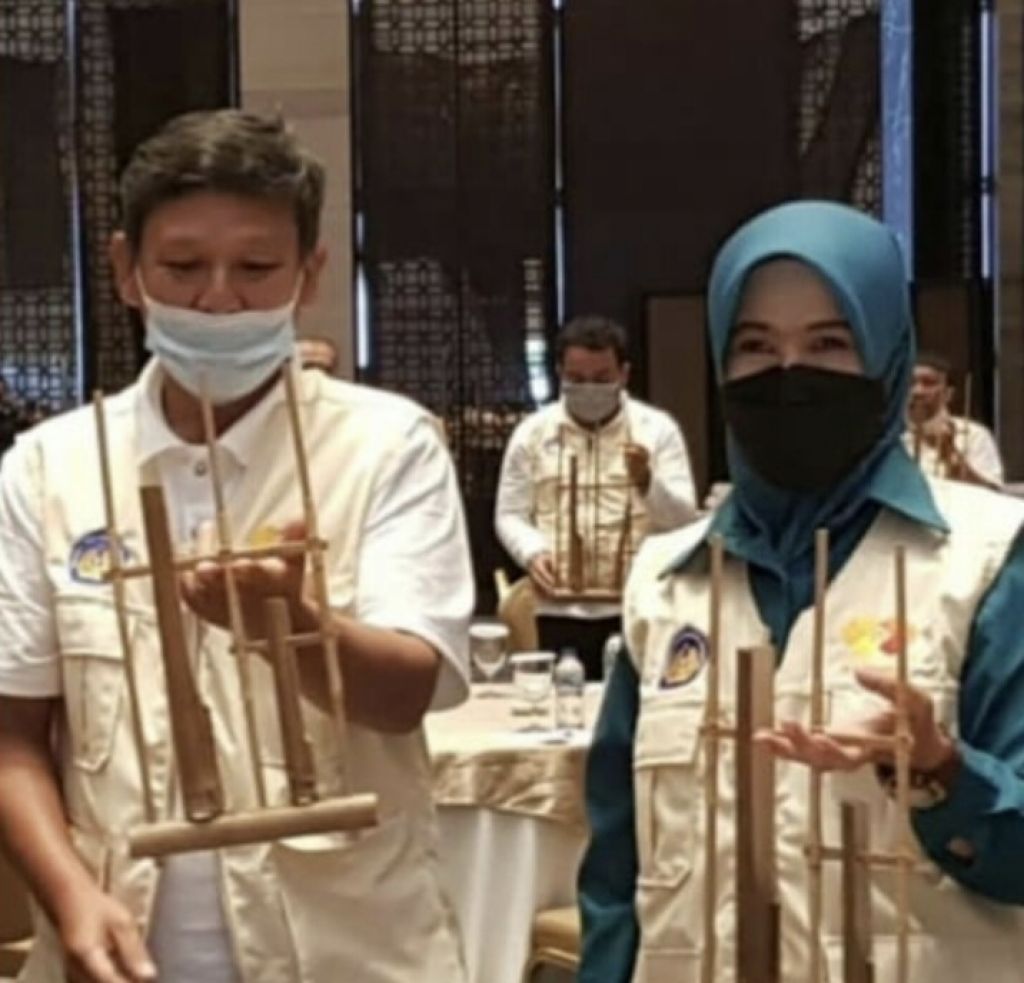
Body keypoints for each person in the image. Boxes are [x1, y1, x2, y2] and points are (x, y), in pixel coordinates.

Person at [0, 110, 472, 983]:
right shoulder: (50, 468)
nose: (219, 300)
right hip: (126, 948)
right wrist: (70, 896)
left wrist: (289, 624)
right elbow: (13, 733)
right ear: (126, 269)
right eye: (183, 267)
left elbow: (408, 688)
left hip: (349, 952)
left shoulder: (387, 446)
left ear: (309, 274)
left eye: (256, 269)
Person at [578, 201, 1024, 982]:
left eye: (829, 343)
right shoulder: (666, 580)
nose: (790, 374)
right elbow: (617, 873)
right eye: (755, 346)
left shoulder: (987, 560)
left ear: (887, 355)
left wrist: (942, 769)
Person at [495, 316, 696, 678]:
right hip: (556, 609)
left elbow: (684, 520)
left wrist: (647, 482)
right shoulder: (532, 434)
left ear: (624, 374)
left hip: (639, 606)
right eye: (576, 379)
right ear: (559, 373)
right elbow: (509, 514)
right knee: (561, 703)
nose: (589, 388)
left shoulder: (657, 431)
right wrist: (532, 552)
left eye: (602, 379)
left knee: (637, 706)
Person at [904, 350, 1004, 489]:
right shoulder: (887, 436)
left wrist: (950, 453)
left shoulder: (973, 435)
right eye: (910, 383)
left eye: (929, 383)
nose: (918, 391)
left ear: (948, 393)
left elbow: (992, 493)